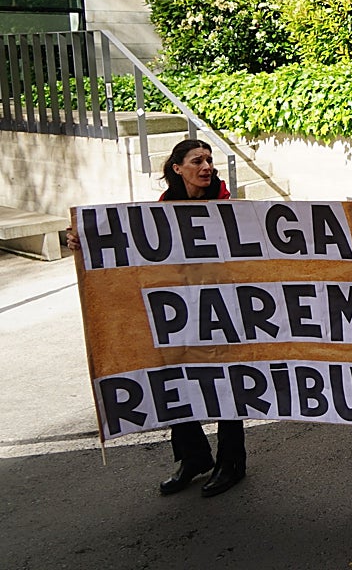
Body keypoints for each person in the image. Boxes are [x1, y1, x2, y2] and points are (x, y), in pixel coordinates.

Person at [68, 139, 246, 497]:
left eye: (209, 160)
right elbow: (128, 245)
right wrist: (83, 239)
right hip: (178, 310)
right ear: (177, 169)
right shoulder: (160, 211)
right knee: (174, 379)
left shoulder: (228, 206)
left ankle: (232, 463)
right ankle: (194, 457)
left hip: (219, 308)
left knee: (226, 382)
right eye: (197, 161)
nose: (206, 167)